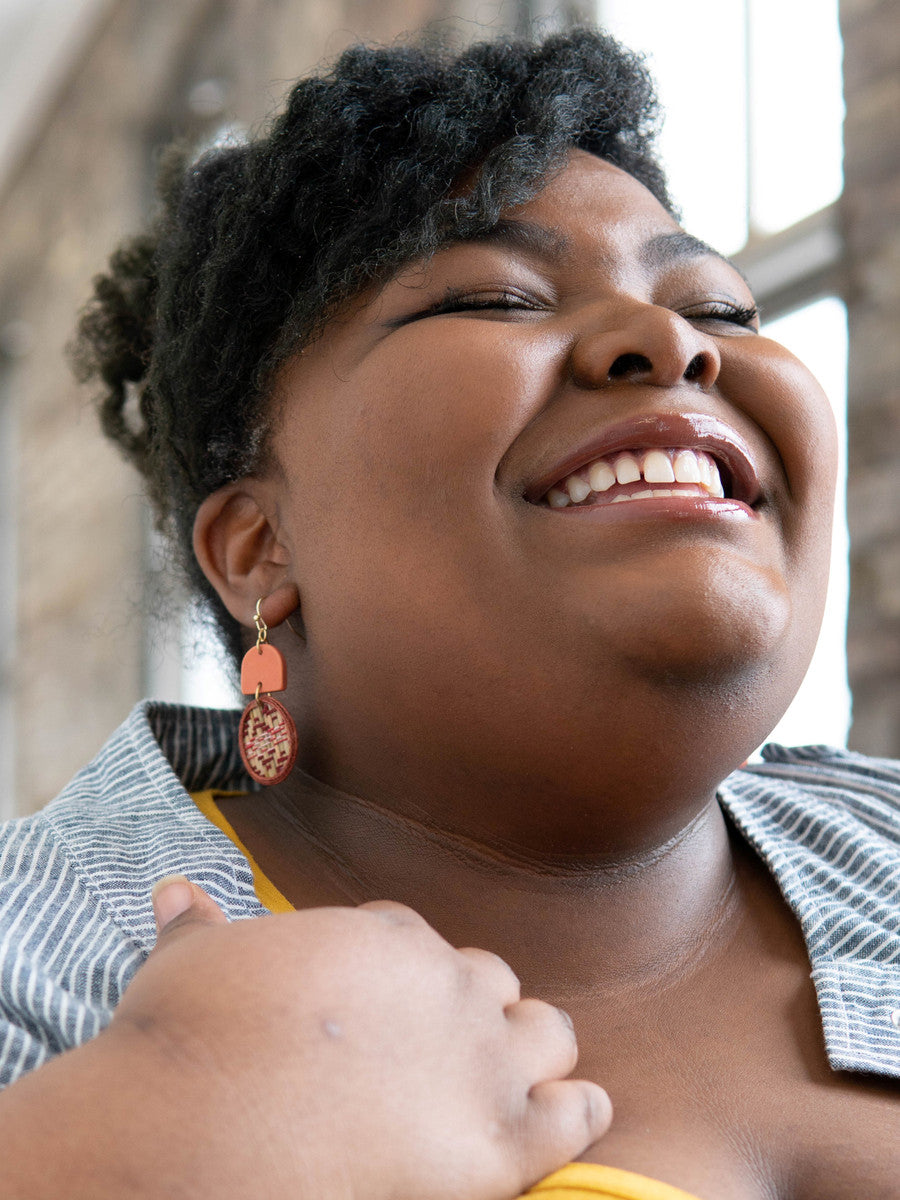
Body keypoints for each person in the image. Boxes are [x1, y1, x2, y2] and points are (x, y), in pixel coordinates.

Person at [0, 26, 898, 1200]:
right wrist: (146, 1142)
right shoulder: (35, 972)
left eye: (723, 311)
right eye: (497, 296)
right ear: (260, 549)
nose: (670, 342)